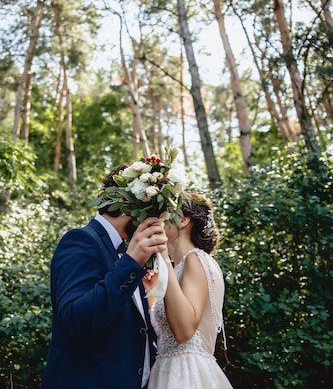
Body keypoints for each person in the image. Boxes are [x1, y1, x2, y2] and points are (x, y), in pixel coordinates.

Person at [40, 165, 168, 389]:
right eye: (151, 206)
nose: (155, 218)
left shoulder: (129, 255)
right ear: (127, 201)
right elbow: (75, 322)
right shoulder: (81, 240)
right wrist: (130, 263)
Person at [145, 193, 233, 389]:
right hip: (164, 372)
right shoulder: (177, 269)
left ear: (183, 220)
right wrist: (152, 293)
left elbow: (184, 330)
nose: (157, 221)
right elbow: (162, 326)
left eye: (164, 214)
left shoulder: (195, 259)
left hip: (187, 374)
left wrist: (163, 258)